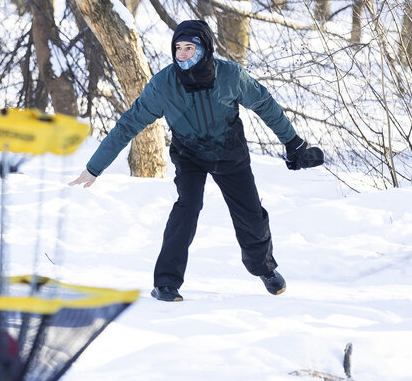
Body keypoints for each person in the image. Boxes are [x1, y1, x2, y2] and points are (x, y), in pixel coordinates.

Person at [69, 20, 323, 302]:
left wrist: (293, 143)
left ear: (205, 49)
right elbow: (128, 124)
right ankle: (165, 283)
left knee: (251, 215)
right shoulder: (164, 85)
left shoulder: (230, 75)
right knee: (186, 209)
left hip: (229, 151)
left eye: (189, 48)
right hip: (189, 154)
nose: (182, 54)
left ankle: (264, 268)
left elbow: (264, 103)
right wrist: (95, 167)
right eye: (178, 48)